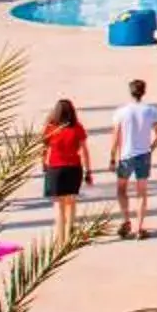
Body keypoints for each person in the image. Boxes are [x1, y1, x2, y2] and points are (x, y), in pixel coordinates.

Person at [111, 79, 157, 241]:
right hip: (143, 155)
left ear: (130, 91)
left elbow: (115, 137)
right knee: (141, 192)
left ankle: (126, 219)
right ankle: (139, 228)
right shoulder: (151, 111)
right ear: (144, 92)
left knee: (121, 188)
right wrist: (151, 148)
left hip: (126, 155)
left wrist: (112, 157)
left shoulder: (121, 112)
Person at [41, 97, 91, 240]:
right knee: (70, 201)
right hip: (73, 168)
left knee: (58, 204)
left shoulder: (51, 127)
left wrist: (44, 163)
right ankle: (69, 233)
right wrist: (88, 171)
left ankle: (59, 237)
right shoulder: (77, 127)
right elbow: (84, 150)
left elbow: (44, 148)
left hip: (55, 169)